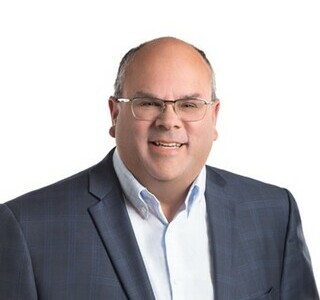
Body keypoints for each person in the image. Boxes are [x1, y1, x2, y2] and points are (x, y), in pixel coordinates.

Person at [0, 37, 318, 300]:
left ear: (215, 116)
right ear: (114, 114)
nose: (168, 121)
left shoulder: (274, 214)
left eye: (189, 105)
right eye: (148, 103)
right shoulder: (28, 228)